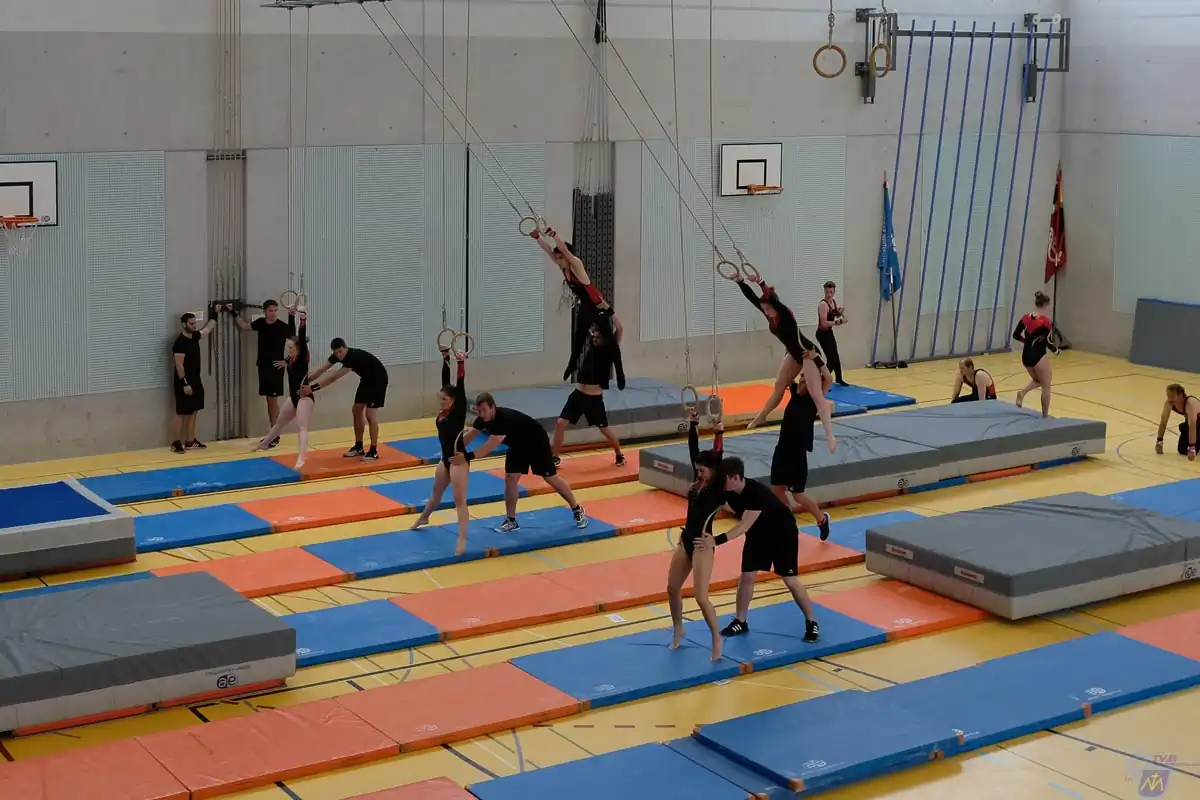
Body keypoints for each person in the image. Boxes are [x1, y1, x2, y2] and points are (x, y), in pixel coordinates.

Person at [532, 223, 627, 466]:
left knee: (604, 429)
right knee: (560, 423)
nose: (557, 259)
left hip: (599, 310)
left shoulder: (575, 265)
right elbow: (550, 252)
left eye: (559, 256)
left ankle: (619, 453)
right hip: (579, 393)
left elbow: (565, 251)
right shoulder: (563, 267)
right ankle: (554, 457)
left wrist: (554, 235)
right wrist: (537, 238)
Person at [717, 457, 821, 643]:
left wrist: (714, 541)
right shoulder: (728, 491)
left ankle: (811, 621)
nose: (719, 482)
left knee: (790, 579)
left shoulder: (755, 493)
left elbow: (742, 527)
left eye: (722, 478)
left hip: (782, 532)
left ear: (734, 477)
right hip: (758, 532)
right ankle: (740, 621)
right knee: (747, 576)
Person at [457, 393, 588, 531]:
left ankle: (577, 509)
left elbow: (488, 447)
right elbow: (469, 436)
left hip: (536, 442)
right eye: (479, 411)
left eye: (484, 410)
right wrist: (453, 450)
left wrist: (466, 457)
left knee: (551, 477)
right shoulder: (482, 419)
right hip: (518, 445)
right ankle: (511, 520)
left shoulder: (503, 419)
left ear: (492, 407)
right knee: (510, 478)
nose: (482, 414)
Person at [735, 274, 836, 453]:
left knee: (816, 395)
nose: (766, 312)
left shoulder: (786, 315)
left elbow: (775, 301)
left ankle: (830, 436)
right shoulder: (769, 314)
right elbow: (753, 298)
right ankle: (761, 417)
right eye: (764, 309)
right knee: (779, 386)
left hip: (808, 354)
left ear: (775, 306)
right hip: (793, 353)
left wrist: (761, 283)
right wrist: (740, 281)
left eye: (768, 308)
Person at [667, 410, 725, 661]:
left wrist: (719, 433)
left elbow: (718, 456)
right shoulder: (698, 480)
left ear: (713, 470)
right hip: (687, 539)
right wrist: (693, 424)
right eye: (697, 470)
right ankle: (678, 628)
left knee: (701, 597)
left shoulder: (717, 487)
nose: (699, 473)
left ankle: (716, 638)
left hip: (703, 545)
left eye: (703, 470)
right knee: (672, 588)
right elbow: (693, 450)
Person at [411, 346, 472, 555]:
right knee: (435, 495)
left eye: (445, 399)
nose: (442, 402)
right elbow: (446, 381)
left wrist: (461, 362)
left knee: (459, 500)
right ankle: (424, 517)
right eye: (441, 399)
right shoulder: (444, 412)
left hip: (458, 460)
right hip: (445, 459)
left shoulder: (458, 409)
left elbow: (460, 385)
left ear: (454, 400)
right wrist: (445, 358)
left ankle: (462, 539)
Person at [770, 371, 833, 540]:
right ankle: (788, 521)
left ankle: (821, 519)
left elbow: (829, 379)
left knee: (798, 494)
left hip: (797, 453)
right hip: (782, 448)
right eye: (802, 379)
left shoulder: (814, 399)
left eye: (807, 380)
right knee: (777, 488)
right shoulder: (795, 391)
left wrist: (815, 361)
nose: (804, 382)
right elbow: (788, 372)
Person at [305, 339, 389, 460]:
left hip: (378, 380)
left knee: (370, 415)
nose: (339, 355)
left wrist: (311, 389)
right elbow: (321, 370)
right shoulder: (336, 356)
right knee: (356, 410)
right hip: (366, 380)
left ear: (346, 348)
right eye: (336, 352)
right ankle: (358, 447)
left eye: (340, 351)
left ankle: (373, 450)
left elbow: (332, 378)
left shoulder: (352, 357)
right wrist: (306, 380)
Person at [252, 310, 313, 469]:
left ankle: (302, 457)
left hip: (304, 398)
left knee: (302, 427)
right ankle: (265, 444)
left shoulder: (302, 358)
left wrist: (303, 319)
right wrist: (291, 316)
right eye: (288, 347)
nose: (288, 349)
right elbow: (292, 333)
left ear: (298, 348)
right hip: (293, 397)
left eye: (291, 347)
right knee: (279, 423)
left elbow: (300, 336)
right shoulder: (290, 359)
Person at [231, 299, 296, 447]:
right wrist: (233, 312)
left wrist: (286, 361)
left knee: (272, 402)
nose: (273, 313)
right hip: (263, 366)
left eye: (275, 310)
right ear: (265, 311)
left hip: (275, 367)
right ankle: (273, 434)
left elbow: (296, 342)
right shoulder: (260, 323)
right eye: (271, 310)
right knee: (269, 401)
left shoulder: (282, 327)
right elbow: (244, 326)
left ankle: (274, 435)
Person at [170, 306, 218, 454]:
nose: (194, 326)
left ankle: (190, 441)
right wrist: (185, 383)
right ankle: (175, 443)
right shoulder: (180, 342)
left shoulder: (195, 336)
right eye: (191, 324)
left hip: (196, 380)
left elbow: (207, 330)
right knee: (181, 413)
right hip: (184, 382)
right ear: (184, 324)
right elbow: (178, 365)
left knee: (193, 412)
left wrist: (215, 313)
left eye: (194, 323)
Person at [1012, 291, 1055, 417]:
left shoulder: (1025, 318)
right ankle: (1045, 416)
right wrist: (1056, 350)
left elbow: (1016, 335)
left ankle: (1022, 392)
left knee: (1038, 380)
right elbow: (1048, 341)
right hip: (1038, 355)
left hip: (1026, 355)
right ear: (1045, 305)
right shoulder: (1045, 321)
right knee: (1046, 385)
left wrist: (1026, 342)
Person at [815, 281, 848, 386]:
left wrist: (840, 312)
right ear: (824, 291)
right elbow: (824, 323)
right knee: (831, 359)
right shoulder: (823, 305)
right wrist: (838, 322)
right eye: (827, 292)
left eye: (831, 292)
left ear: (834, 291)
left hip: (829, 332)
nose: (829, 294)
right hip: (822, 333)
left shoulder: (833, 302)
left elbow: (835, 314)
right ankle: (821, 381)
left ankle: (839, 378)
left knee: (836, 356)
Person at [1156, 384, 1199, 461]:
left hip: (1196, 424)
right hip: (1192, 424)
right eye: (1168, 396)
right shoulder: (1169, 403)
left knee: (1191, 447)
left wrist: (1192, 447)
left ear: (1180, 395)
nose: (1169, 399)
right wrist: (1159, 441)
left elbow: (1192, 425)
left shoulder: (1190, 403)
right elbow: (1163, 422)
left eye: (1172, 396)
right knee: (1182, 450)